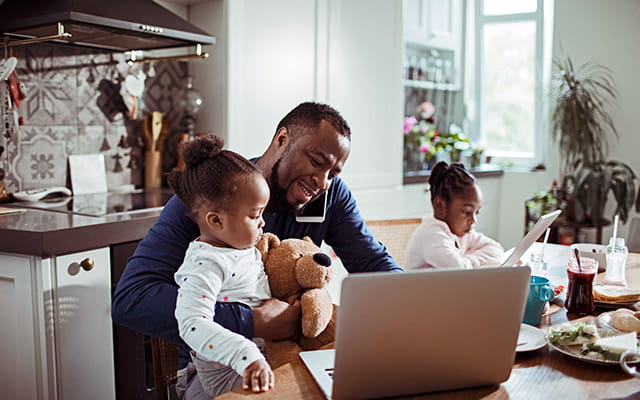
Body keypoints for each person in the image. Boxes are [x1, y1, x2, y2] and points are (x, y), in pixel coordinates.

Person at [111, 102, 402, 399]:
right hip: (221, 372)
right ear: (281, 140)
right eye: (316, 161)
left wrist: (413, 303)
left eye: (333, 173)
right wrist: (252, 320)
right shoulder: (213, 199)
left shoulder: (331, 197)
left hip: (289, 360)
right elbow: (132, 299)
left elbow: (373, 262)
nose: (323, 182)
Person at [167, 135, 274, 396]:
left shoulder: (240, 248)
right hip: (230, 374)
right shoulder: (206, 263)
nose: (262, 223)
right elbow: (192, 323)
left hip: (262, 359)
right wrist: (245, 354)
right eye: (254, 215)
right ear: (215, 221)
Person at [404, 161, 504, 270]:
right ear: (440, 206)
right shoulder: (431, 234)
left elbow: (496, 249)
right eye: (466, 212)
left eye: (477, 212)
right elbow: (459, 269)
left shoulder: (463, 233)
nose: (473, 220)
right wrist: (469, 262)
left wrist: (467, 260)